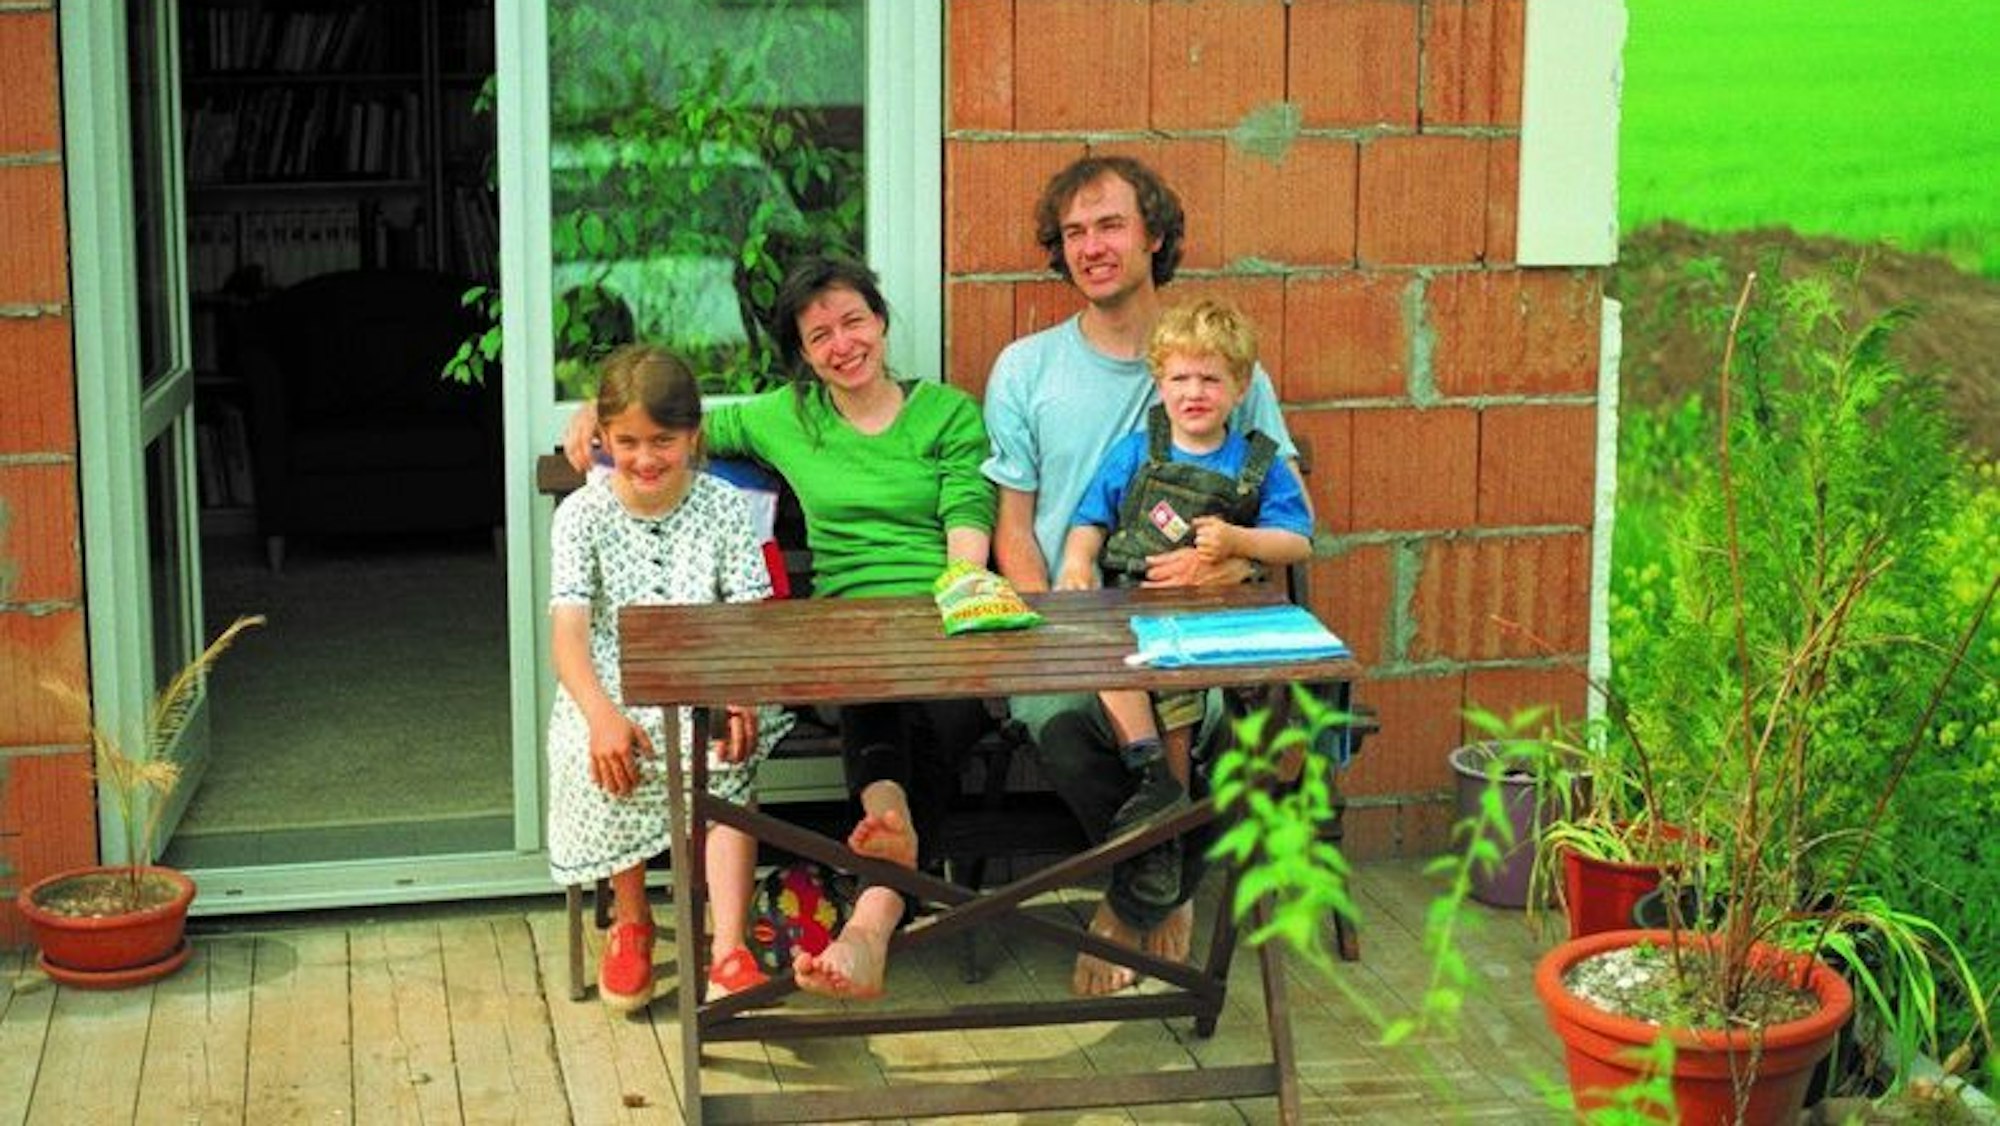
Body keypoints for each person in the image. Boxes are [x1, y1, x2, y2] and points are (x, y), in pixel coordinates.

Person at [565, 257, 997, 1001]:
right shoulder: (789, 416)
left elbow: (968, 537)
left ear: (882, 320)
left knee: (938, 702)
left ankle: (875, 893)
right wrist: (590, 416)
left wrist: (947, 621)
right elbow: (679, 422)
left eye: (853, 321)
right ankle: (877, 897)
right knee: (868, 693)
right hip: (840, 630)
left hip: (938, 615)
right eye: (819, 334)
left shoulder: (948, 415)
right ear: (802, 353)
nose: (842, 344)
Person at [982, 155, 1308, 996]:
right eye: (1074, 232)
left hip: (1203, 619)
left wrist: (1227, 560)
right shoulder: (1026, 369)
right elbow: (1015, 527)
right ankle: (1161, 889)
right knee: (1061, 717)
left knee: (1242, 729)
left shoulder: (1229, 368)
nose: (1091, 246)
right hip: (1075, 617)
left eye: (1111, 224)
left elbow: (1280, 511)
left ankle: (1131, 903)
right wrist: (1062, 622)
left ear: (1155, 235)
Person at [545, 344, 781, 1012]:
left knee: (724, 748)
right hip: (610, 683)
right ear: (603, 440)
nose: (645, 459)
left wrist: (738, 690)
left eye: (663, 442)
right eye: (627, 442)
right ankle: (633, 918)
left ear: (693, 436)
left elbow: (747, 616)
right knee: (612, 747)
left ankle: (729, 947)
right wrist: (600, 715)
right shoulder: (583, 517)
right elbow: (567, 636)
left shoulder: (724, 508)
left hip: (709, 675)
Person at [1055, 297, 1313, 853]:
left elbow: (1297, 540)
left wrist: (1241, 541)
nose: (1194, 393)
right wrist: (1077, 562)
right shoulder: (1135, 451)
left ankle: (1170, 793)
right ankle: (1152, 772)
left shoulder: (1256, 462)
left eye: (1210, 379)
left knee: (1183, 685)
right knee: (1112, 656)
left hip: (1212, 613)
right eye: (1180, 377)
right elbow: (1090, 518)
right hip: (1133, 597)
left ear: (1241, 388)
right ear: (1159, 381)